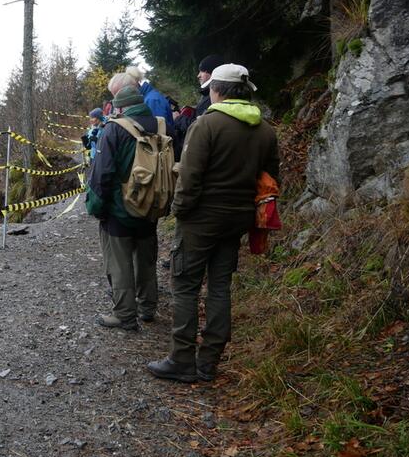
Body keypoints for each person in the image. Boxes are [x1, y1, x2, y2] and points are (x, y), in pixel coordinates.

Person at [147, 64, 279, 383]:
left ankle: (181, 360)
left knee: (186, 284)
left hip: (202, 218)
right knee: (220, 287)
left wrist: (179, 210)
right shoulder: (265, 130)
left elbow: (189, 177)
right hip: (238, 219)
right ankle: (209, 362)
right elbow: (272, 179)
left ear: (217, 90)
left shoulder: (207, 125)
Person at [85, 85, 162, 331]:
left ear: (120, 107)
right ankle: (148, 307)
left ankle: (125, 315)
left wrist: (96, 208)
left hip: (120, 209)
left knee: (120, 264)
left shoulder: (114, 130)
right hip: (151, 206)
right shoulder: (161, 126)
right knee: (146, 261)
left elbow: (102, 175)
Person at [173, 55, 225, 160]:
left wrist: (178, 118)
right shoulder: (207, 95)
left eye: (202, 71)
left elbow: (200, 127)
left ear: (211, 73)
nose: (198, 75)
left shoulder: (213, 98)